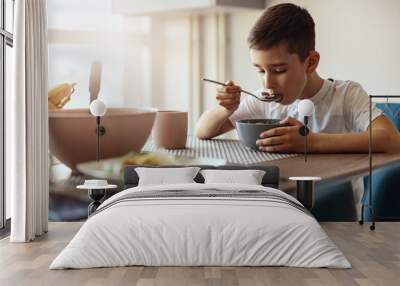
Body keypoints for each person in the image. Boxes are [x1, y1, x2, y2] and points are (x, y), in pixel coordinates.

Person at [195, 3, 399, 153]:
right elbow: (202, 131)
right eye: (260, 70)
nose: (268, 83)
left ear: (310, 62)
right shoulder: (262, 101)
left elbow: (391, 139)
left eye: (278, 70)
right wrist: (226, 109)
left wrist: (311, 142)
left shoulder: (346, 95)